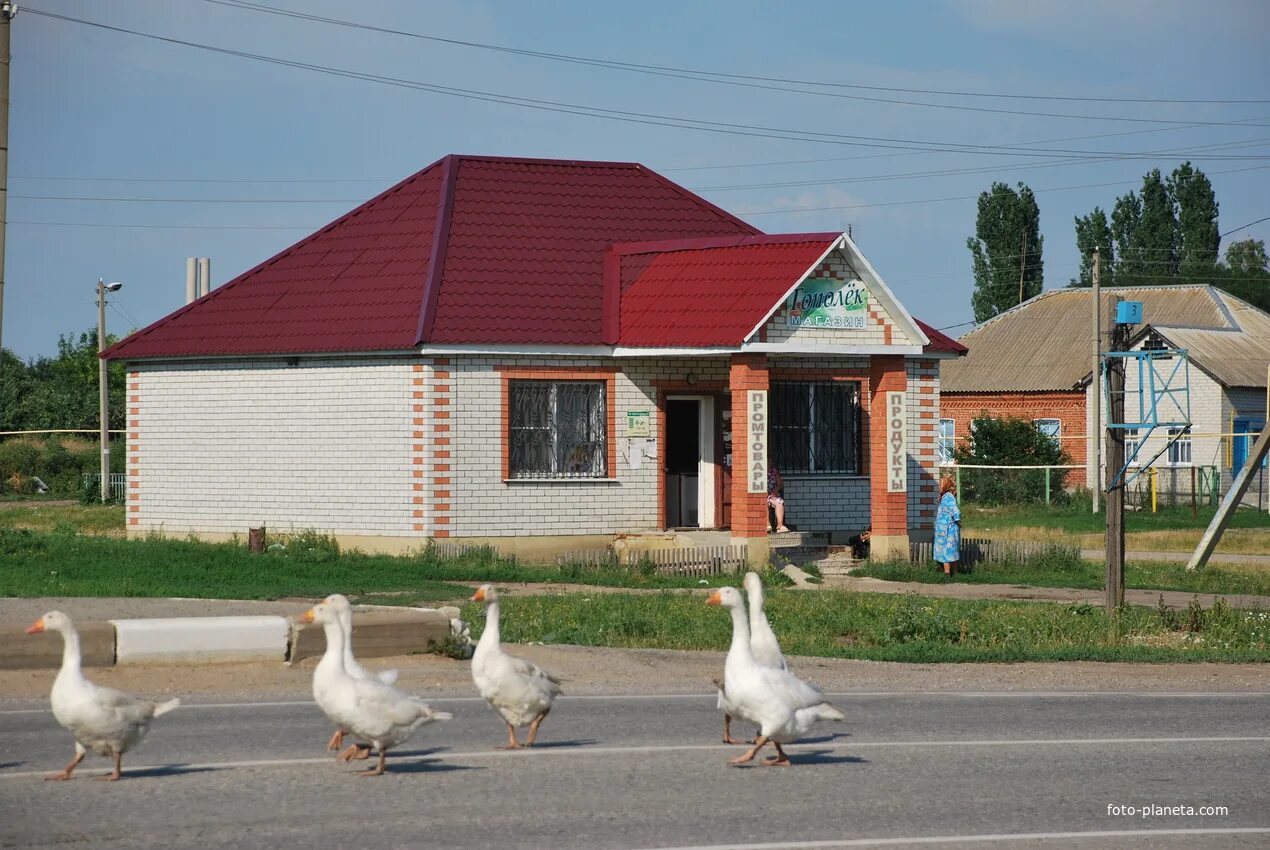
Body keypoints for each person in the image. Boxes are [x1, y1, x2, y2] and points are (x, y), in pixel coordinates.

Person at [933, 476, 961, 575]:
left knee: (947, 551)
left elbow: (955, 510)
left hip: (948, 530)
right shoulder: (945, 496)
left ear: (946, 485)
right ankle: (955, 573)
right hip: (943, 529)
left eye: (941, 484)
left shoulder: (948, 496)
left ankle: (947, 573)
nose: (939, 486)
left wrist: (958, 521)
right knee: (950, 551)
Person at [767, 465, 790, 533]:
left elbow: (780, 484)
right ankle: (767, 524)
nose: (769, 462)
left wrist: (776, 489)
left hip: (772, 496)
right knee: (763, 501)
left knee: (780, 501)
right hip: (762, 496)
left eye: (770, 459)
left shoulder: (773, 471)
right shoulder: (757, 471)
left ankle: (780, 525)